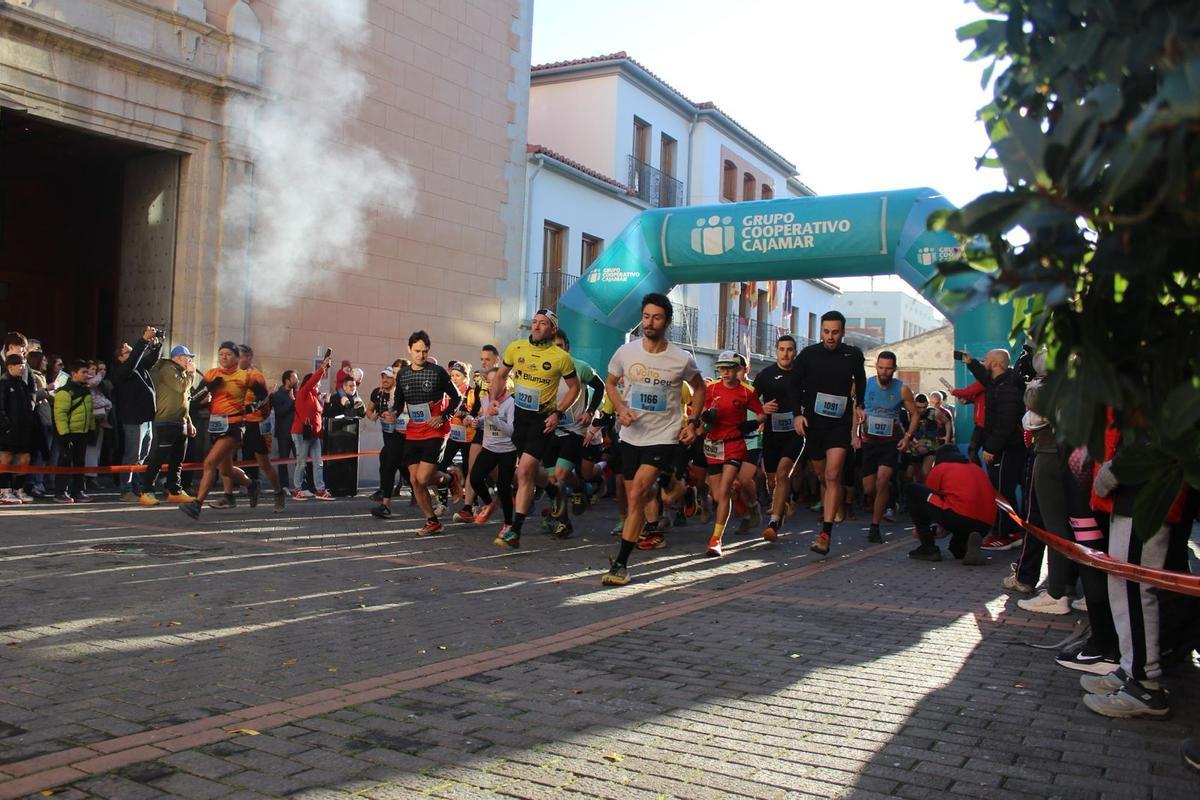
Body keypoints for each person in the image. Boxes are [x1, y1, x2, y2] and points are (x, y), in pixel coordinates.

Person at [601, 293, 705, 586]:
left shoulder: (681, 359)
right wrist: (620, 408)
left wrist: (693, 421)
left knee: (635, 497)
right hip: (632, 435)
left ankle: (620, 564)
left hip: (664, 435)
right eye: (646, 316)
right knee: (641, 497)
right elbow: (610, 382)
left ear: (667, 322)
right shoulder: (626, 352)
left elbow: (700, 389)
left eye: (656, 317)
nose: (649, 322)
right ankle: (677, 488)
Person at [489, 309, 580, 549]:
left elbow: (574, 387)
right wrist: (494, 399)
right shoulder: (516, 348)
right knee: (531, 473)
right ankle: (554, 487)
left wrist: (557, 411)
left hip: (542, 421)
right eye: (535, 322)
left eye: (543, 324)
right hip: (520, 419)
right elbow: (500, 376)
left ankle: (515, 530)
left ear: (552, 330)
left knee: (524, 472)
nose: (537, 326)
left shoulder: (560, 357)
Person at [789, 310, 866, 556]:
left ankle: (825, 534)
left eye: (835, 332)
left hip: (840, 423)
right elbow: (792, 384)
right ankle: (837, 502)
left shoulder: (853, 354)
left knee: (833, 475)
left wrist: (860, 404)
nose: (830, 337)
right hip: (814, 423)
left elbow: (861, 379)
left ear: (843, 332)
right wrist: (797, 414)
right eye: (826, 332)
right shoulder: (809, 355)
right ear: (820, 331)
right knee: (822, 475)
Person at [179, 342, 259, 518]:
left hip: (235, 426)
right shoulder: (212, 374)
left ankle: (197, 504)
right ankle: (251, 485)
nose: (224, 357)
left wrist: (250, 409)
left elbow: (263, 397)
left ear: (237, 358)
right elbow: (194, 398)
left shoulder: (245, 376)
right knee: (225, 470)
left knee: (209, 463)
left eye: (228, 354)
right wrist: (210, 387)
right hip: (216, 424)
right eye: (221, 354)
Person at [394, 331, 461, 534]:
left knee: (423, 479)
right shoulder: (403, 374)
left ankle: (450, 479)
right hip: (414, 430)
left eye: (424, 351)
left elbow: (457, 398)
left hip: (435, 429)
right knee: (414, 480)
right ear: (409, 349)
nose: (421, 355)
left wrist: (443, 416)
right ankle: (432, 521)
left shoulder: (438, 372)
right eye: (417, 351)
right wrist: (391, 414)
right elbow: (398, 403)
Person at [699, 350, 764, 557]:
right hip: (713, 445)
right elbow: (701, 413)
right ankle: (747, 507)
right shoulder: (710, 388)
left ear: (738, 370)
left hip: (735, 444)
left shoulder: (747, 392)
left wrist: (751, 424)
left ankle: (716, 540)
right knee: (718, 495)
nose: (725, 373)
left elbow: (762, 414)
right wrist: (705, 419)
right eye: (722, 369)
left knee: (726, 489)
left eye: (729, 369)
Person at [963, 349, 1026, 550]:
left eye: (987, 360)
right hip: (1003, 446)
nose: (984, 362)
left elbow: (1006, 422)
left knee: (1001, 491)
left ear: (997, 363)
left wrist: (991, 447)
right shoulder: (997, 382)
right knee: (1000, 490)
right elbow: (984, 376)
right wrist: (971, 362)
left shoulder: (1007, 388)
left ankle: (1005, 533)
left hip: (1007, 448)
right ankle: (1010, 531)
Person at [859, 351, 920, 544]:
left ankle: (875, 527)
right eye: (881, 367)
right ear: (876, 366)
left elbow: (915, 414)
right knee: (869, 488)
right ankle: (889, 495)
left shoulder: (902, 389)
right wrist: (854, 433)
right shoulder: (865, 384)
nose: (884, 372)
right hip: (869, 441)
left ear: (894, 369)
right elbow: (855, 406)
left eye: (888, 368)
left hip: (890, 442)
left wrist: (908, 437)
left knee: (882, 481)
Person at [906, 445, 993, 564]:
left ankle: (928, 547)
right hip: (985, 524)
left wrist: (926, 529)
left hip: (959, 516)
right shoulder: (976, 468)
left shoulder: (941, 468)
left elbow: (930, 500)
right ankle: (967, 548)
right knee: (955, 548)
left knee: (913, 490)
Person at [754, 335, 803, 542]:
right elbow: (751, 402)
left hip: (795, 433)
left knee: (783, 473)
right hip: (773, 433)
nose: (786, 353)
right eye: (782, 349)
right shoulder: (766, 375)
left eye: (790, 349)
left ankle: (773, 522)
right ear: (776, 351)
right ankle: (783, 501)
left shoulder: (802, 375)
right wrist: (762, 409)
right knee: (772, 480)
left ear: (795, 352)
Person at [112, 327, 162, 503]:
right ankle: (125, 489)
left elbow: (150, 360)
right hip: (133, 419)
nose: (132, 353)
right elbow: (134, 360)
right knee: (132, 455)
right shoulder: (121, 372)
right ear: (120, 358)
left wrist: (156, 346)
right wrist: (143, 340)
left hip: (146, 418)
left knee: (142, 455)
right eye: (127, 352)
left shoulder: (139, 367)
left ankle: (135, 485)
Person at [143, 345, 197, 503]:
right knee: (159, 458)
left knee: (177, 459)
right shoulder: (168, 369)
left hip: (180, 421)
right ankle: (147, 490)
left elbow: (185, 400)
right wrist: (192, 372)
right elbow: (181, 387)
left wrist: (189, 422)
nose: (190, 361)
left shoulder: (181, 372)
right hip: (167, 420)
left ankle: (174, 489)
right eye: (188, 357)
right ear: (179, 357)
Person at [235, 344, 286, 512]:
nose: (236, 359)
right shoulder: (234, 375)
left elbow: (263, 400)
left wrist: (249, 409)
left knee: (264, 464)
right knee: (231, 459)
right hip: (238, 423)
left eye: (239, 356)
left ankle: (278, 493)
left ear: (249, 358)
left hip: (257, 424)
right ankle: (247, 487)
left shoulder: (256, 376)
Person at [470, 365, 519, 534]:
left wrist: (494, 417)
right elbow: (485, 420)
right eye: (489, 382)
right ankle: (489, 503)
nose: (492, 386)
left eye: (495, 381)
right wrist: (479, 422)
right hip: (489, 448)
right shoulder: (485, 399)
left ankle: (508, 524)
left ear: (505, 382)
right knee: (475, 479)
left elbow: (512, 431)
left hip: (507, 450)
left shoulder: (512, 403)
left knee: (504, 487)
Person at [290, 355, 335, 502]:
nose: (319, 384)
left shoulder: (315, 397)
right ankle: (297, 489)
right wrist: (322, 368)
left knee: (318, 462)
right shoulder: (304, 392)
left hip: (314, 434)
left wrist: (326, 402)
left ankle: (320, 490)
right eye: (317, 382)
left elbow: (320, 414)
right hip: (301, 433)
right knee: (301, 462)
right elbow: (312, 382)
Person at [51, 359, 95, 503]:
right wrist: (64, 435)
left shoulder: (86, 390)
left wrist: (91, 429)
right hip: (69, 433)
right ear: (73, 373)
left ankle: (78, 491)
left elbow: (90, 412)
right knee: (64, 461)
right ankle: (60, 492)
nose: (86, 375)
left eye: (87, 372)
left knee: (79, 462)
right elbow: (60, 414)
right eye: (83, 372)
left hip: (82, 433)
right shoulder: (64, 392)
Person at [367, 367, 404, 518]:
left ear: (395, 378)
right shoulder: (377, 392)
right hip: (387, 436)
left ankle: (386, 498)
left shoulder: (398, 394)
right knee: (390, 464)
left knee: (389, 461)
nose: (385, 380)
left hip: (401, 435)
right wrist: (374, 415)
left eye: (388, 377)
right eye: (383, 376)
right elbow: (368, 411)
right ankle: (385, 493)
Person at [0, 353, 36, 505]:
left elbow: (29, 405)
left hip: (23, 430)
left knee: (25, 458)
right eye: (19, 365)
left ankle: (18, 489)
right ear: (10, 367)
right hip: (7, 431)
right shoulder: (3, 384)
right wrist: (6, 426)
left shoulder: (23, 384)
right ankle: (4, 490)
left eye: (23, 365)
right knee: (5, 457)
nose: (22, 368)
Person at [271, 371, 298, 491]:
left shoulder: (297, 393)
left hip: (297, 432)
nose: (297, 380)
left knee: (300, 460)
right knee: (283, 460)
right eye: (295, 378)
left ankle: (300, 486)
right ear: (287, 380)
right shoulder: (278, 395)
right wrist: (292, 401)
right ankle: (284, 486)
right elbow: (279, 412)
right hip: (283, 433)